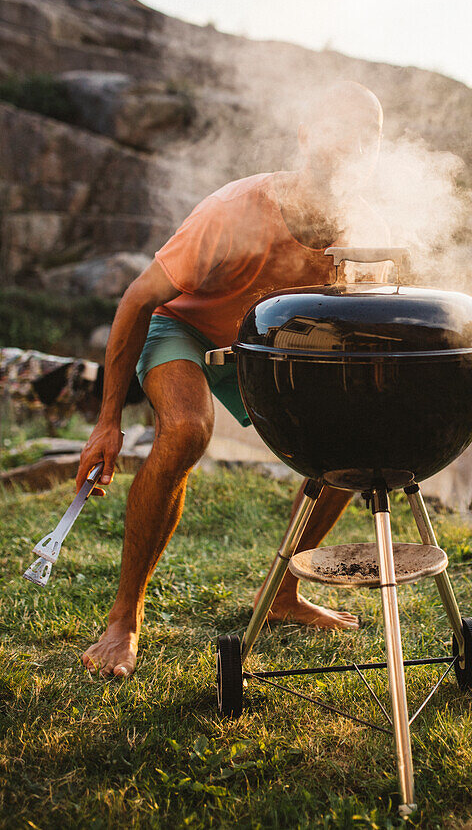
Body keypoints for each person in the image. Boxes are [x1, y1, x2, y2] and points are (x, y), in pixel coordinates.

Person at [75, 79, 388, 678]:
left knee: (353, 444)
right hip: (184, 330)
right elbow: (138, 301)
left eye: (367, 135)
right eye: (338, 128)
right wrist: (108, 421)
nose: (351, 145)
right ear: (305, 135)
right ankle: (123, 620)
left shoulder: (360, 228)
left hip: (262, 347)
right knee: (188, 430)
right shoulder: (234, 211)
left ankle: (281, 596)